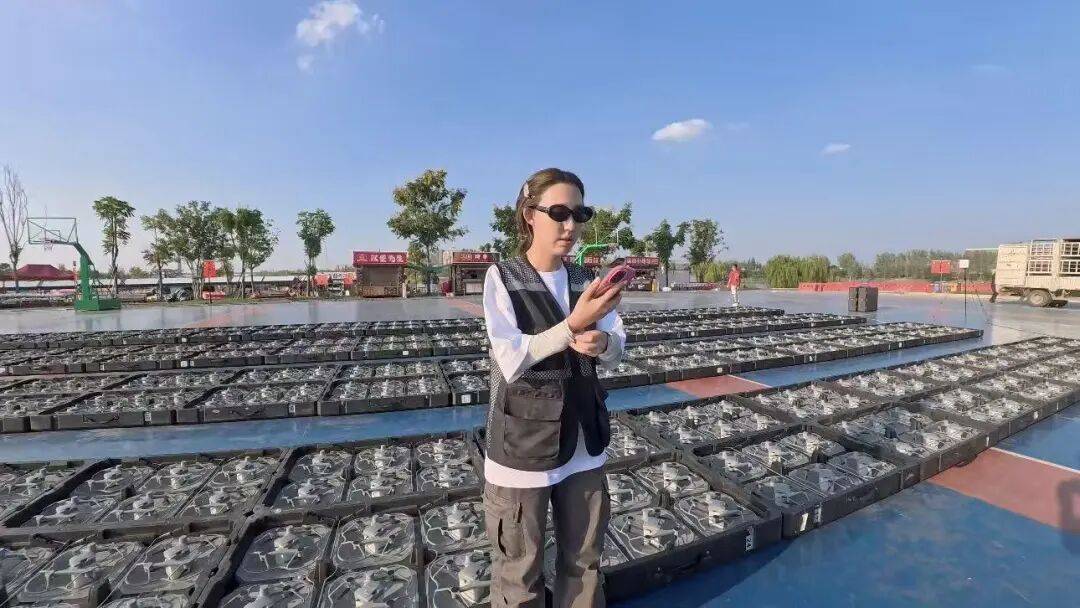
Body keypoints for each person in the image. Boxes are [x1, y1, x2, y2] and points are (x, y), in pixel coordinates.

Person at [483, 168, 627, 608]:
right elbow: (511, 357)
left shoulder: (586, 280)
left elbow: (618, 344)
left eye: (579, 214)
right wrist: (572, 326)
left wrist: (603, 343)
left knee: (584, 564)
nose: (571, 225)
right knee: (519, 574)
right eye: (559, 213)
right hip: (523, 448)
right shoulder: (503, 278)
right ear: (530, 215)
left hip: (583, 445)